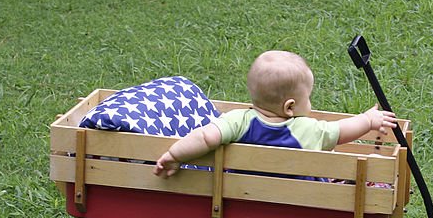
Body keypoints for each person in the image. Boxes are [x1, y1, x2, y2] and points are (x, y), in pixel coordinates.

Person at [154, 50, 396, 177]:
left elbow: (205, 137)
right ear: (289, 107)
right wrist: (368, 120)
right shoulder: (306, 130)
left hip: (244, 192)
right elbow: (341, 131)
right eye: (308, 98)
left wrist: (174, 154)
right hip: (305, 199)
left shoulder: (238, 120)